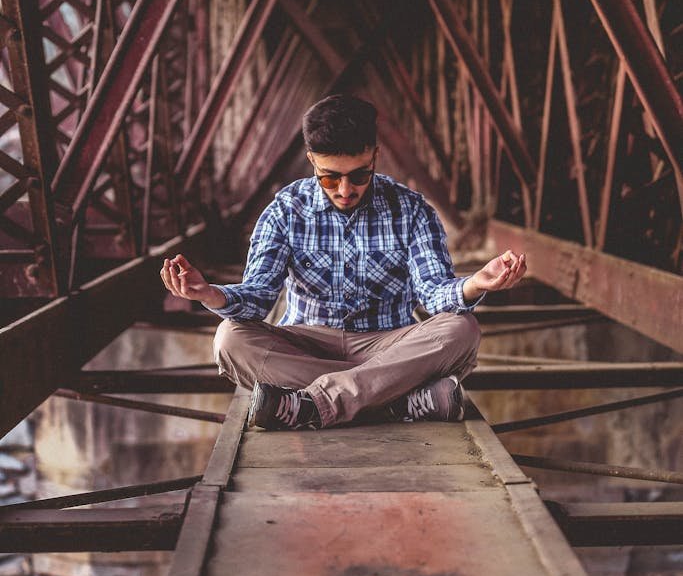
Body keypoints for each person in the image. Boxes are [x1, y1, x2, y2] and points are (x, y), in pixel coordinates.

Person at [160, 94, 526, 431]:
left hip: (388, 343)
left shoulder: (411, 210)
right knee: (230, 340)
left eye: (359, 175)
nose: (345, 190)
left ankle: (314, 404)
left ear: (375, 156)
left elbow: (433, 294)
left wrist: (476, 283)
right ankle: (393, 398)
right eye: (330, 177)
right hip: (309, 342)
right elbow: (257, 299)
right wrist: (209, 294)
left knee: (461, 330)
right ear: (311, 162)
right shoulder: (285, 211)